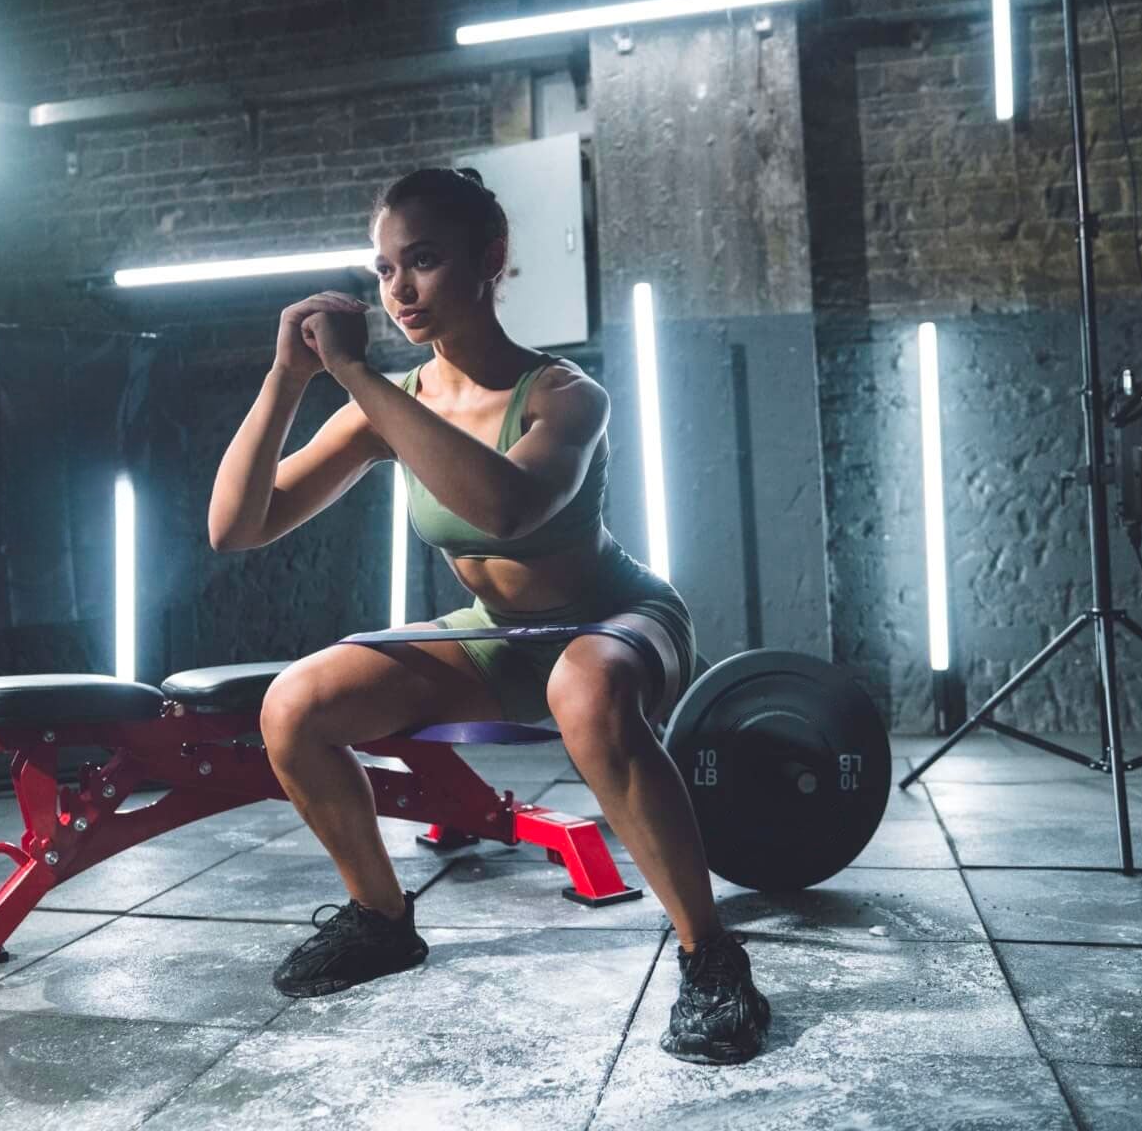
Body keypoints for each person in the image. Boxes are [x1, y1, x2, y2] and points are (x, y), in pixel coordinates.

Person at [207, 167, 770, 1064]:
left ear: (490, 259)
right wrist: (286, 379)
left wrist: (355, 373)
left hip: (614, 618)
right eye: (385, 269)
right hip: (500, 637)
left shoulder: (565, 396)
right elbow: (237, 526)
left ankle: (712, 955)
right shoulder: (390, 407)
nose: (399, 290)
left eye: (422, 260)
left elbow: (506, 510)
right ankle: (381, 920)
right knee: (295, 705)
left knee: (585, 696)